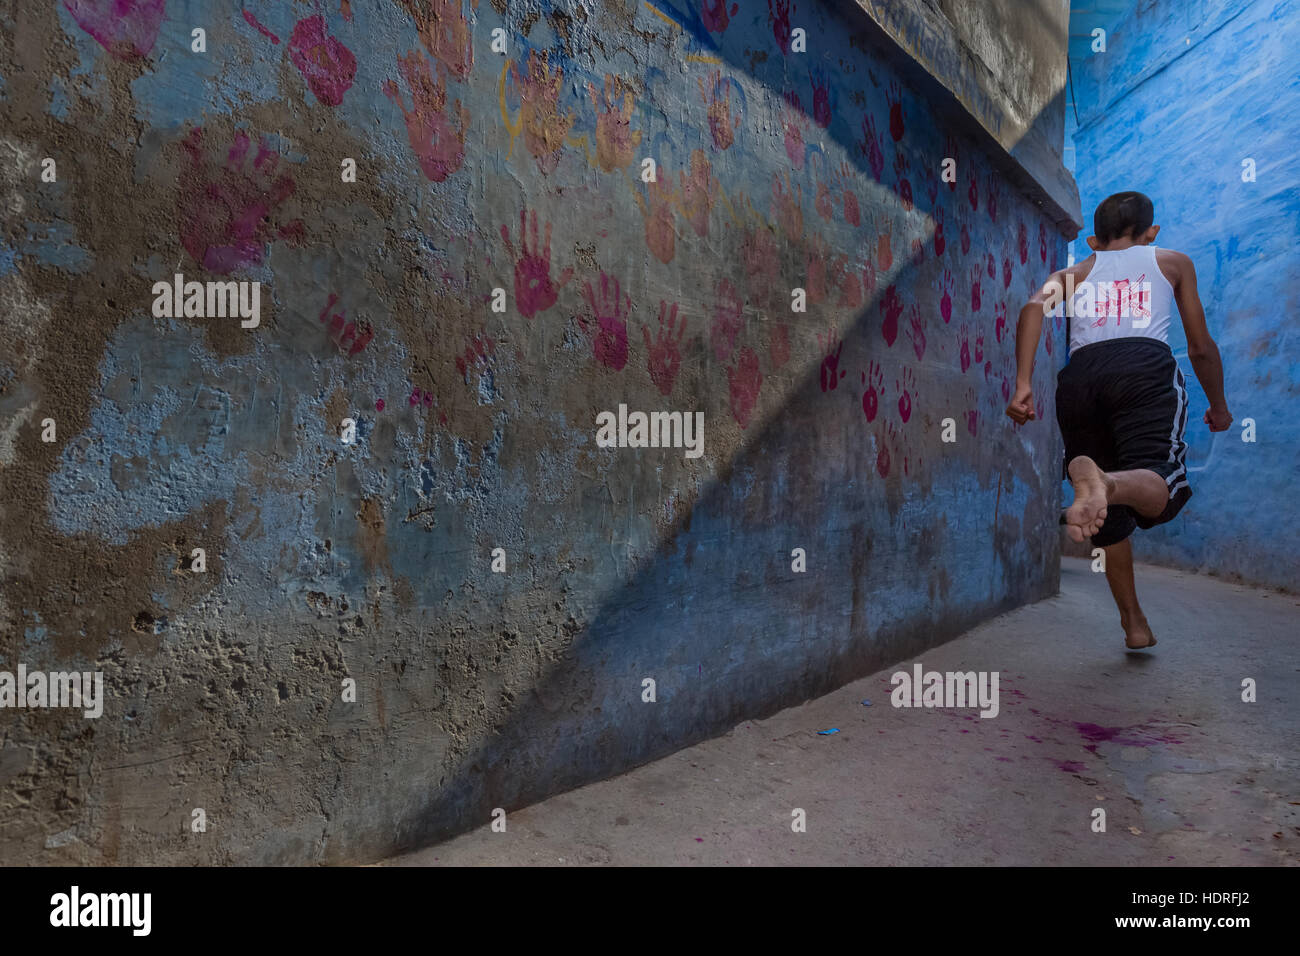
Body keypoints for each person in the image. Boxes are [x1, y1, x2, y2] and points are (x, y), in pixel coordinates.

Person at [1004, 191, 1232, 649]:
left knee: (1103, 518)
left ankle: (1134, 624)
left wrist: (1023, 383)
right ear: (1152, 233)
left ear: (1092, 239)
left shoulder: (1074, 273)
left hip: (1080, 379)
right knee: (1161, 484)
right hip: (1143, 368)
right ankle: (1108, 483)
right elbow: (1201, 347)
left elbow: (1032, 309)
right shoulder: (1171, 262)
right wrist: (1219, 406)